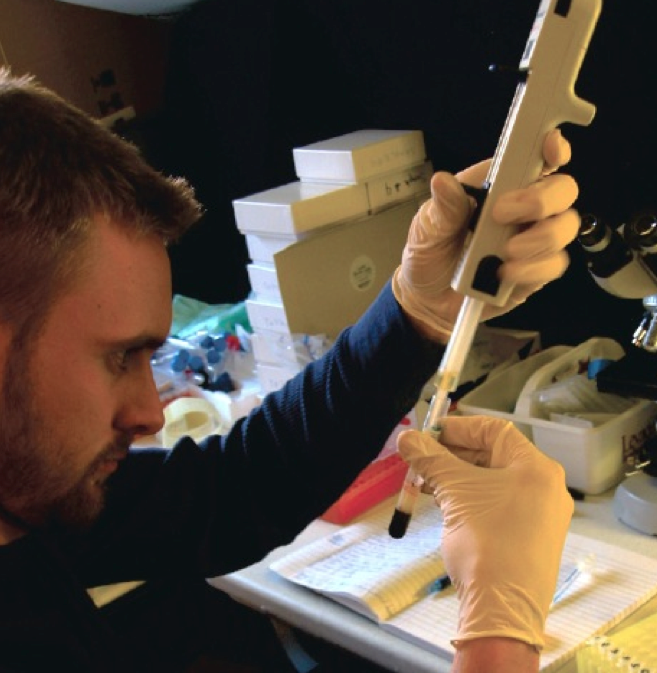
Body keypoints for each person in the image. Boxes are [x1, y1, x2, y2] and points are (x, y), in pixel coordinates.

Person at [0, 66, 576, 673]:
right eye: (120, 356)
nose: (149, 414)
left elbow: (235, 488)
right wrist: (500, 635)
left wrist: (417, 313)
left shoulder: (29, 497)